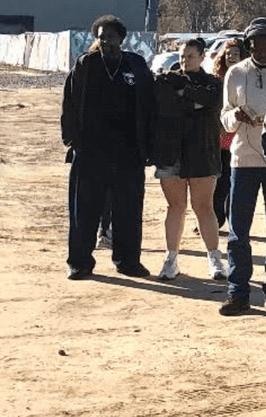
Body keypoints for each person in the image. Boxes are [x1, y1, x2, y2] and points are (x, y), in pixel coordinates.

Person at [61, 14, 155, 280]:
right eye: (100, 37)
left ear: (121, 39)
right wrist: (72, 140)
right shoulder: (85, 65)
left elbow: (149, 106)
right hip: (91, 153)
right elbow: (68, 104)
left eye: (109, 37)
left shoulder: (135, 65)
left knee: (129, 210)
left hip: (128, 153)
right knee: (84, 211)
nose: (104, 42)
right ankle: (79, 262)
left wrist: (148, 145)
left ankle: (128, 261)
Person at [219, 19, 266, 316]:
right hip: (242, 161)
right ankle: (238, 292)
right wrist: (237, 115)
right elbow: (224, 119)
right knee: (239, 230)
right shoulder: (236, 73)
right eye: (255, 46)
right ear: (248, 46)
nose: (261, 51)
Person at [151, 37, 227, 282]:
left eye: (190, 56)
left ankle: (214, 257)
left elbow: (212, 103)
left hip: (202, 153)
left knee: (203, 207)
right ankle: (171, 258)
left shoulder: (213, 84)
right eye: (182, 56)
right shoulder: (165, 80)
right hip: (171, 152)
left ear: (202, 57)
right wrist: (191, 101)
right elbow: (166, 106)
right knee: (175, 207)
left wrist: (185, 92)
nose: (185, 60)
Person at [211, 38, 243, 229]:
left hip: (240, 138)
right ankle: (215, 218)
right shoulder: (216, 79)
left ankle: (234, 221)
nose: (231, 57)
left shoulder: (247, 77)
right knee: (218, 183)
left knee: (236, 184)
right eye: (228, 54)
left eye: (236, 54)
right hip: (218, 138)